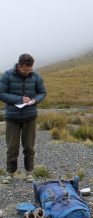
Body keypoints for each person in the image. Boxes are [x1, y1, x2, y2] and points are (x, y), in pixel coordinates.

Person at [0, 53, 46, 184]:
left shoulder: (36, 76)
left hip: (30, 116)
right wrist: (19, 99)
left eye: (30, 70)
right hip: (12, 117)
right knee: (12, 147)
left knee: (29, 146)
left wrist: (34, 100)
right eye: (25, 70)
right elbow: (1, 93)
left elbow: (43, 92)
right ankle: (10, 173)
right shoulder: (7, 75)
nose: (27, 72)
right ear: (19, 66)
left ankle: (29, 172)